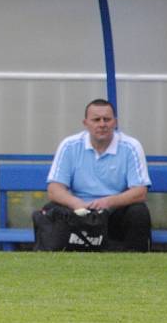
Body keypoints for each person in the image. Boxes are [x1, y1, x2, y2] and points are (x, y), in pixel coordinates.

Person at [44, 99, 152, 251]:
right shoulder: (69, 145)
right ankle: (53, 258)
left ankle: (135, 261)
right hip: (78, 212)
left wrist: (108, 202)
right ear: (85, 123)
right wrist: (76, 203)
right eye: (96, 120)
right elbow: (54, 189)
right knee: (52, 210)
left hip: (114, 212)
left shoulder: (131, 147)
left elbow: (140, 192)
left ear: (115, 122)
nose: (102, 124)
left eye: (107, 119)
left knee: (138, 212)